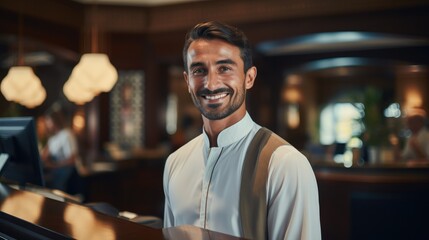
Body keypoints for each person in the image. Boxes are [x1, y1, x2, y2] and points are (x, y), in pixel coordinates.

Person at [163, 21, 321, 239]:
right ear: (187, 81)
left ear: (249, 77)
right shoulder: (174, 163)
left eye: (225, 68)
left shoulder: (286, 164)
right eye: (199, 70)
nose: (210, 83)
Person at [41, 106, 80, 193]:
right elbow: (43, 156)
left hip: (66, 171)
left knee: (51, 185)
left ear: (55, 120)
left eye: (48, 120)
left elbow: (72, 159)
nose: (47, 123)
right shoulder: (53, 138)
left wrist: (55, 165)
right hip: (56, 170)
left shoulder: (67, 134)